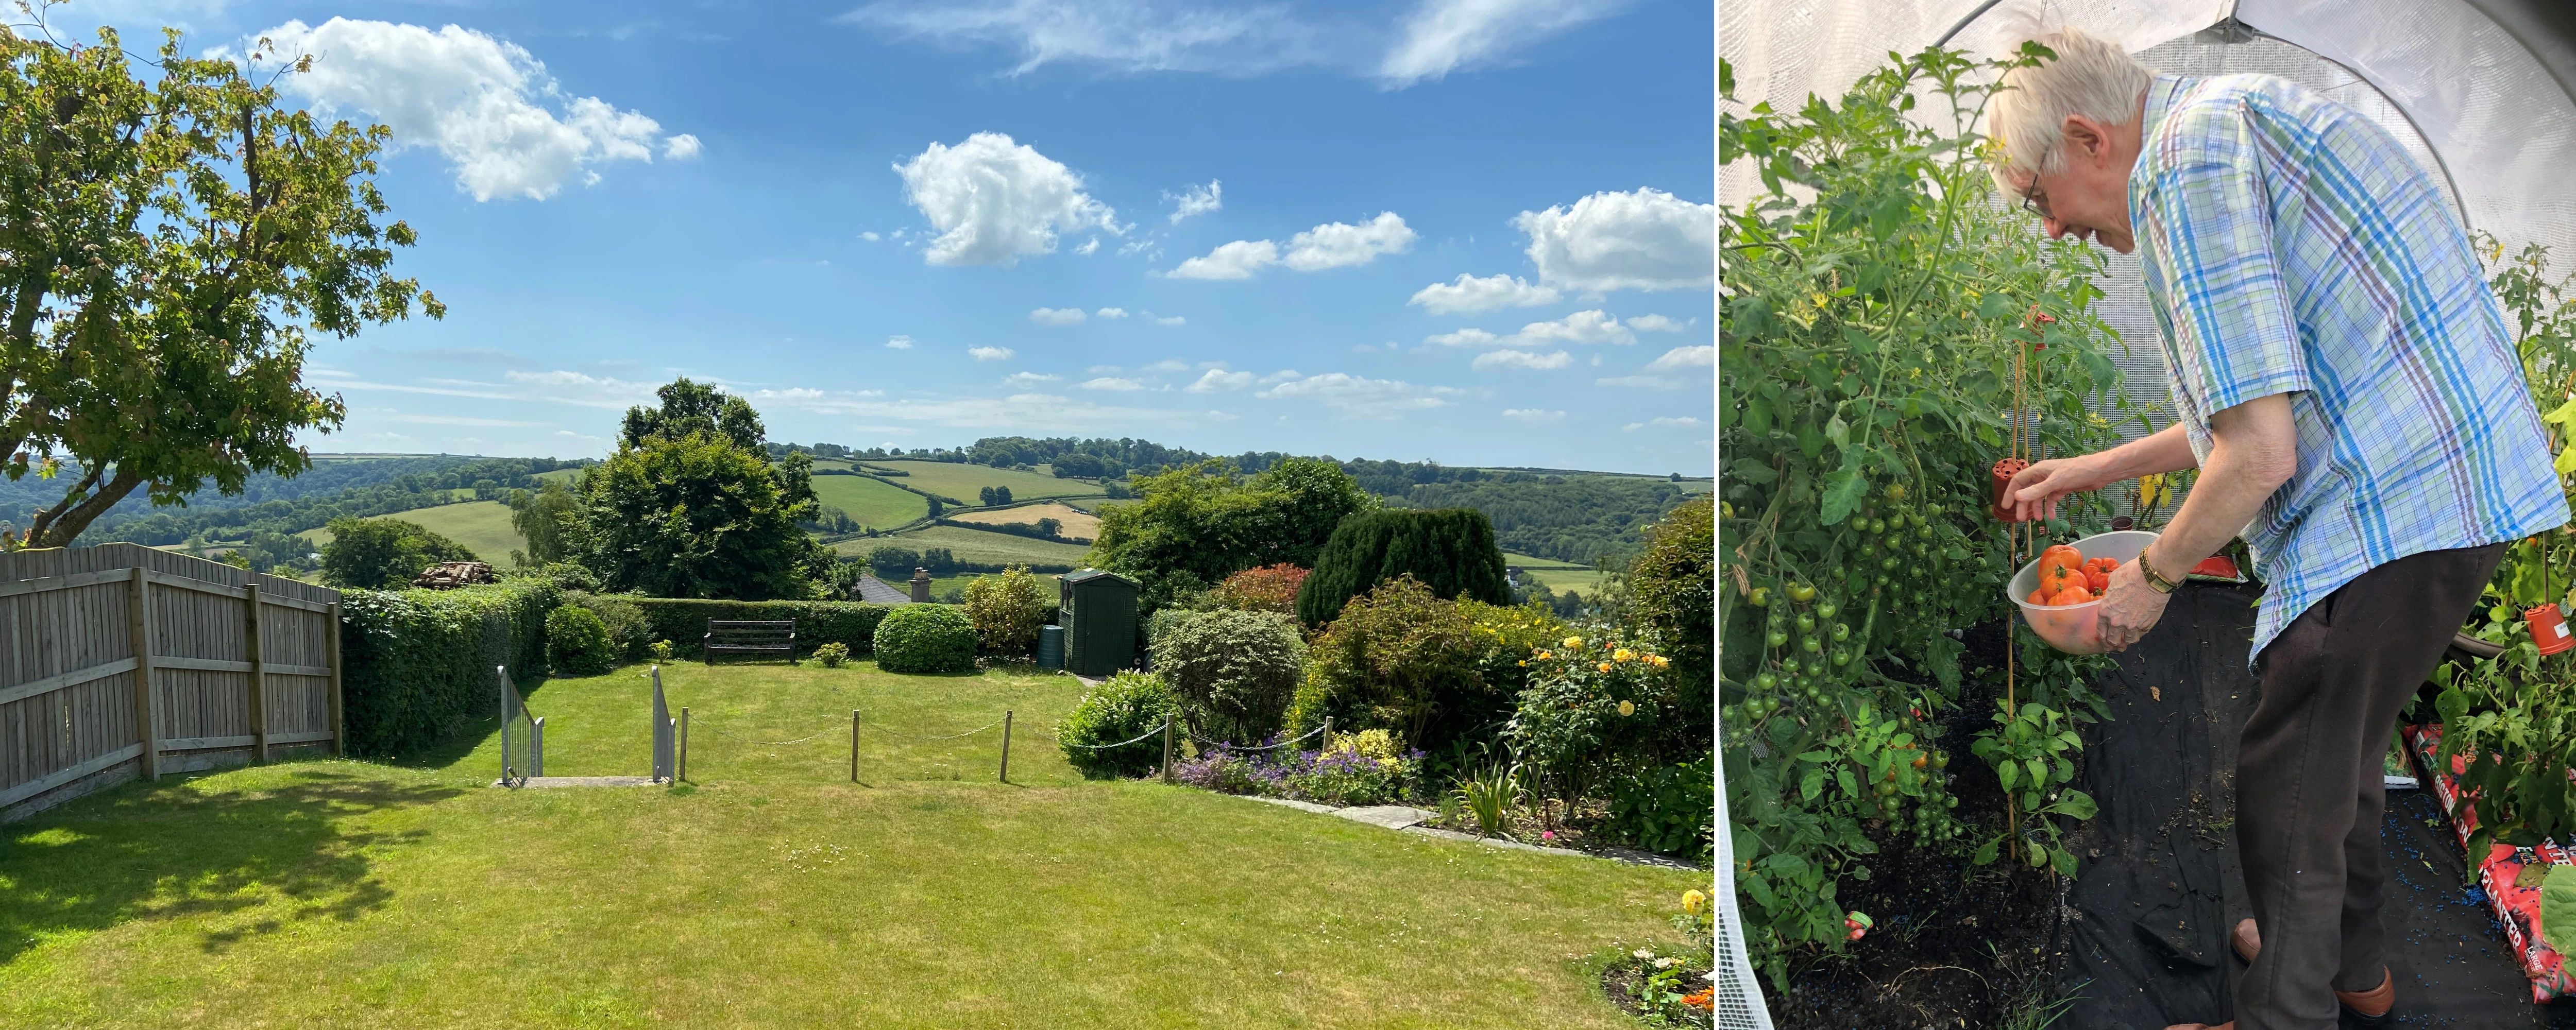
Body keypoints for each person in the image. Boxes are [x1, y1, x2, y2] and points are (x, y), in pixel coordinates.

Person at [1987, 26, 2570, 1030]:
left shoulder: (2182, 165)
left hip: (2392, 505)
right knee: (2333, 757)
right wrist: (2091, 467)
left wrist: (2151, 577)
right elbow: (2256, 404)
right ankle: (2354, 972)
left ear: (2087, 138)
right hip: (2439, 493)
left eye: (2038, 200)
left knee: (2285, 783)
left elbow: (2257, 456)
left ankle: (2283, 1012)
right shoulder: (2228, 118)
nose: (2047, 229)